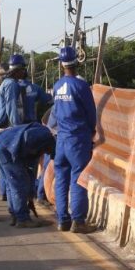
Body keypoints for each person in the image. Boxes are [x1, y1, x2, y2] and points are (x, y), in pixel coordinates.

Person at [52, 46, 99, 234]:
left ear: (61, 64)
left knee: (61, 179)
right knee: (79, 178)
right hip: (77, 138)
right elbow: (91, 113)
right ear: (76, 62)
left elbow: (55, 112)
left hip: (61, 139)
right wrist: (91, 132)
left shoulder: (57, 86)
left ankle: (62, 219)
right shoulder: (81, 86)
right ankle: (78, 221)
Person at [0, 122, 55, 228]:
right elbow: (26, 140)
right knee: (18, 183)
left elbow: (30, 171)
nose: (46, 155)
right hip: (5, 148)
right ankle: (23, 219)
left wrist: (30, 196)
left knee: (12, 183)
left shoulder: (42, 137)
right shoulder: (44, 137)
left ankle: (15, 215)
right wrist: (29, 194)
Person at [0, 54, 30, 201]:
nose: (24, 72)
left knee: (4, 165)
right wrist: (18, 130)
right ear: (18, 70)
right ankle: (13, 198)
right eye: (23, 69)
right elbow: (11, 108)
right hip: (7, 128)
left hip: (2, 127)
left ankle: (4, 192)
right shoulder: (12, 85)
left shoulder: (7, 83)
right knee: (11, 164)